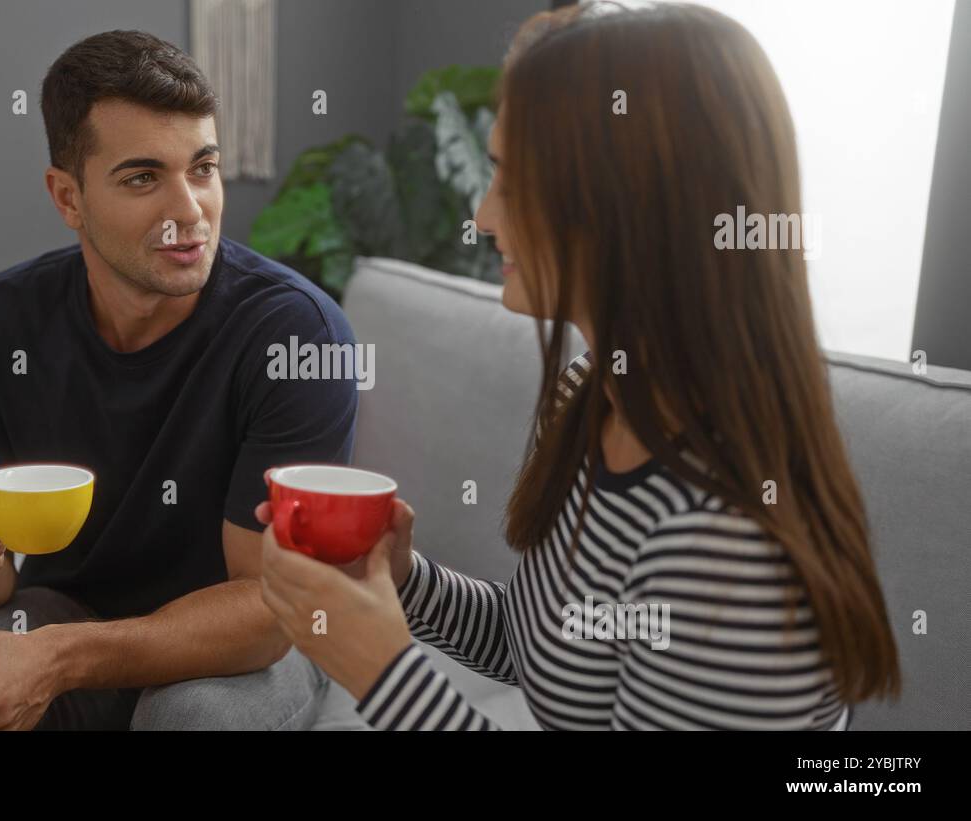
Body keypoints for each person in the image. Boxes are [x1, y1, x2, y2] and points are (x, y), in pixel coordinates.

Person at [256, 1, 901, 730]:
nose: (483, 213)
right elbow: (542, 648)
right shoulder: (593, 396)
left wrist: (382, 671)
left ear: (625, 205)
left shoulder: (725, 548)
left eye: (509, 177)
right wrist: (400, 581)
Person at [0, 30, 358, 730]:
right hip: (74, 607)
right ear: (67, 197)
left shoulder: (296, 336)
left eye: (202, 168)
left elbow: (266, 611)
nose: (190, 210)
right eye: (143, 178)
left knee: (188, 717)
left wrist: (62, 659)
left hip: (260, 633)